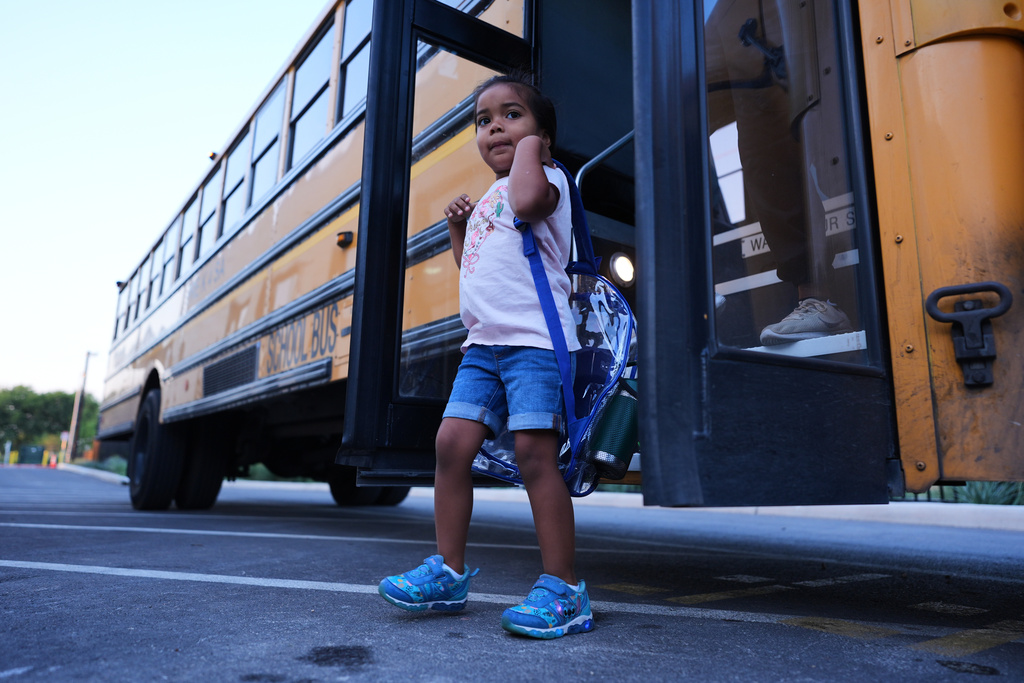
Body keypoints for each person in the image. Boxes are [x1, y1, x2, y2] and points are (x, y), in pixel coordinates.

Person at [377, 73, 594, 639]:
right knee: (450, 445)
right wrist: (458, 230)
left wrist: (532, 150)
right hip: (483, 347)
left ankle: (565, 587)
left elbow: (528, 203)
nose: (495, 125)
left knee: (534, 456)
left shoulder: (548, 179)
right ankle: (449, 572)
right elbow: (476, 272)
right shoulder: (493, 195)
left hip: (535, 345)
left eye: (513, 115)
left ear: (542, 136)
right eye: (483, 120)